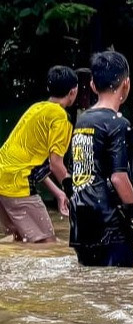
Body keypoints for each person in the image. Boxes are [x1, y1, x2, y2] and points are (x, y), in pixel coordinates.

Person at [69, 51, 133, 266]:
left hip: (80, 223)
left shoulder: (82, 120)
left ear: (93, 85)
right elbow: (119, 178)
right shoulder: (118, 124)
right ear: (126, 84)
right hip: (108, 225)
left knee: (90, 288)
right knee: (115, 288)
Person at [0, 65, 78, 243]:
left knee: (19, 240)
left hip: (3, 177)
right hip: (17, 183)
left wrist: (58, 193)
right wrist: (74, 195)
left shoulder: (37, 108)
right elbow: (56, 164)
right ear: (73, 91)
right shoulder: (61, 118)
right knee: (48, 245)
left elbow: (31, 163)